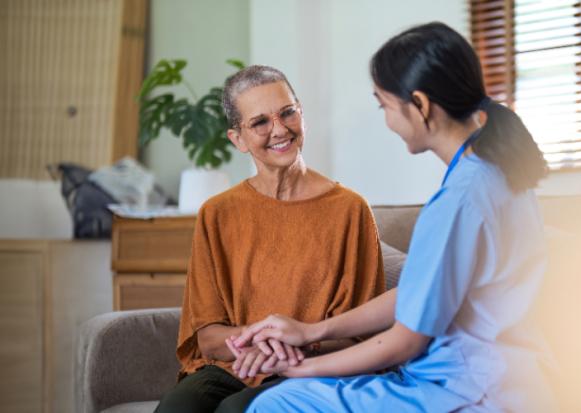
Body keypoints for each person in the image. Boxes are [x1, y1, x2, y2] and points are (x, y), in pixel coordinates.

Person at [233, 22, 553, 412]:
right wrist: (312, 331)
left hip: (469, 388)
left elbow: (406, 340)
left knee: (276, 404)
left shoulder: (459, 201)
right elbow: (423, 291)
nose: (386, 120)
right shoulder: (500, 172)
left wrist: (299, 368)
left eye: (384, 105)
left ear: (419, 105)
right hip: (508, 376)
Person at [153, 65, 386, 413]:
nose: (279, 129)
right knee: (177, 408)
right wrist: (263, 345)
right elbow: (207, 337)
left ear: (301, 113)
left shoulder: (350, 210)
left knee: (237, 410)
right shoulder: (217, 213)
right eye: (260, 122)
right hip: (236, 365)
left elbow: (363, 333)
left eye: (287, 112)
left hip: (312, 369)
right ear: (238, 139)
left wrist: (291, 348)